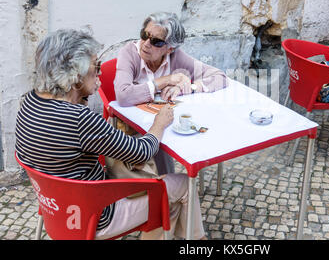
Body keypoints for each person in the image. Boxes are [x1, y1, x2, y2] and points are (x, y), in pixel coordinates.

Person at [15, 29, 206, 240]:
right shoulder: (79, 119)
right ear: (75, 75)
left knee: (161, 194)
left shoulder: (29, 103)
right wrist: (159, 124)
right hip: (94, 216)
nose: (99, 74)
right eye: (95, 67)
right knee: (182, 184)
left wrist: (80, 94)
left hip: (55, 207)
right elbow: (142, 152)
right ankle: (198, 242)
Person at [114, 12, 228, 174]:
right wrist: (165, 80)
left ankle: (170, 187)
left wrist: (188, 87)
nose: (146, 44)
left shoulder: (176, 57)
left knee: (199, 132)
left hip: (164, 126)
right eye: (144, 35)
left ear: (170, 48)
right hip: (132, 132)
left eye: (156, 42)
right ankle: (164, 188)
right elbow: (124, 96)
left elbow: (220, 77)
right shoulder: (130, 53)